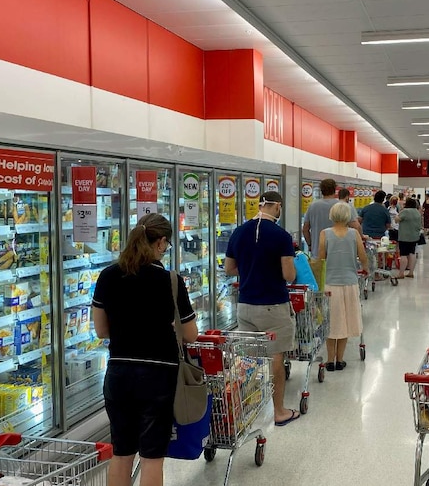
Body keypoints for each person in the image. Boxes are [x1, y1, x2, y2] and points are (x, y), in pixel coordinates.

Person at [92, 214, 199, 486]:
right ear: (161, 243)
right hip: (158, 375)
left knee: (122, 451)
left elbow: (101, 331)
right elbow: (190, 334)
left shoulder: (108, 276)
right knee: (152, 456)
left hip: (119, 373)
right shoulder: (170, 280)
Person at [224, 191, 300, 426]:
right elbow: (288, 275)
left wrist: (250, 270)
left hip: (245, 305)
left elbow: (229, 268)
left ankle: (250, 410)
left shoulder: (239, 231)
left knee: (249, 360)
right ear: (277, 206)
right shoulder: (281, 235)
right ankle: (278, 411)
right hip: (273, 305)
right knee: (275, 356)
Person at [319, 202, 368, 371]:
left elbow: (321, 260)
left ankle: (329, 360)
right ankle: (340, 360)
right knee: (346, 321)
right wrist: (366, 269)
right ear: (348, 216)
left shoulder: (324, 234)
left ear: (332, 215)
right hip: (350, 282)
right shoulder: (354, 234)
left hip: (330, 284)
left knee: (331, 322)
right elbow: (362, 256)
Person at [302, 178, 339, 259]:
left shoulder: (312, 206)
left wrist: (310, 245)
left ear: (321, 190)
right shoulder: (341, 206)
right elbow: (354, 226)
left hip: (317, 253)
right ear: (335, 189)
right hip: (337, 254)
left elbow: (305, 229)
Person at [396, 197, 422, 279]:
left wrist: (399, 213)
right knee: (412, 253)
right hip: (414, 236)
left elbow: (397, 220)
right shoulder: (417, 212)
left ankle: (401, 273)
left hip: (404, 236)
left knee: (403, 254)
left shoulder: (405, 211)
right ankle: (411, 272)